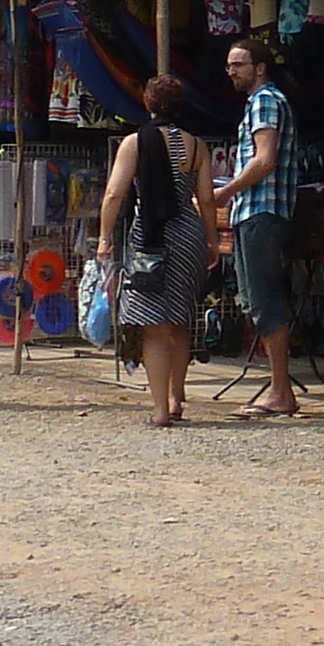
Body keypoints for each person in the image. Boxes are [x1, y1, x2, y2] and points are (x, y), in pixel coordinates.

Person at [97, 74, 211, 428]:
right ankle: (178, 397)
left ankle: (160, 409)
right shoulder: (197, 146)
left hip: (151, 237)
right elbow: (205, 198)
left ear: (147, 104)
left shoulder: (135, 143)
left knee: (153, 326)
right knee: (179, 319)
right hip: (188, 234)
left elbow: (115, 194)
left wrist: (104, 238)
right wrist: (210, 241)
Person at [214, 34, 300, 420]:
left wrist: (227, 191)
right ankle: (278, 388)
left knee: (265, 301)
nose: (231, 71)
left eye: (239, 65)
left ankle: (281, 391)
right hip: (253, 211)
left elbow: (264, 160)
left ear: (259, 68)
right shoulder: (259, 103)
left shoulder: (265, 101)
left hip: (260, 212)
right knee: (256, 300)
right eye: (229, 65)